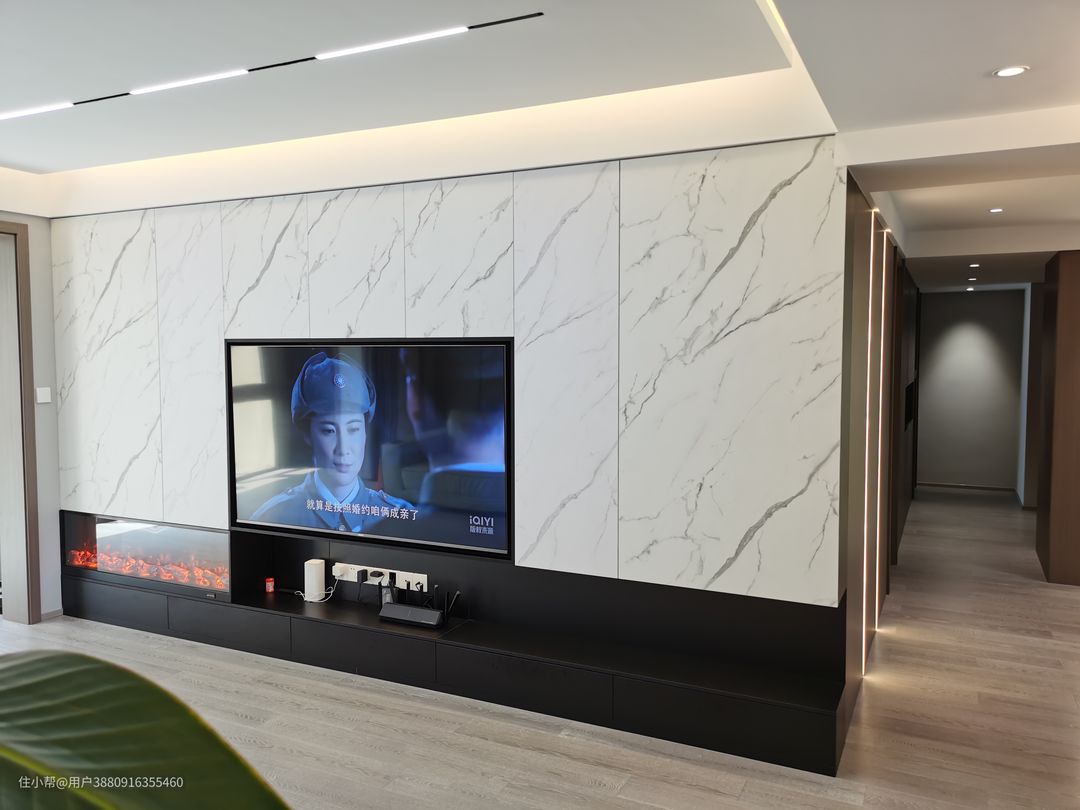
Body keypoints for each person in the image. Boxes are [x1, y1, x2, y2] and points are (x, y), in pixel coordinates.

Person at [251, 352, 414, 532]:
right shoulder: (273, 518)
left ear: (365, 433)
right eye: (329, 431)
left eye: (353, 429)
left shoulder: (402, 518)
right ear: (307, 434)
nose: (343, 448)